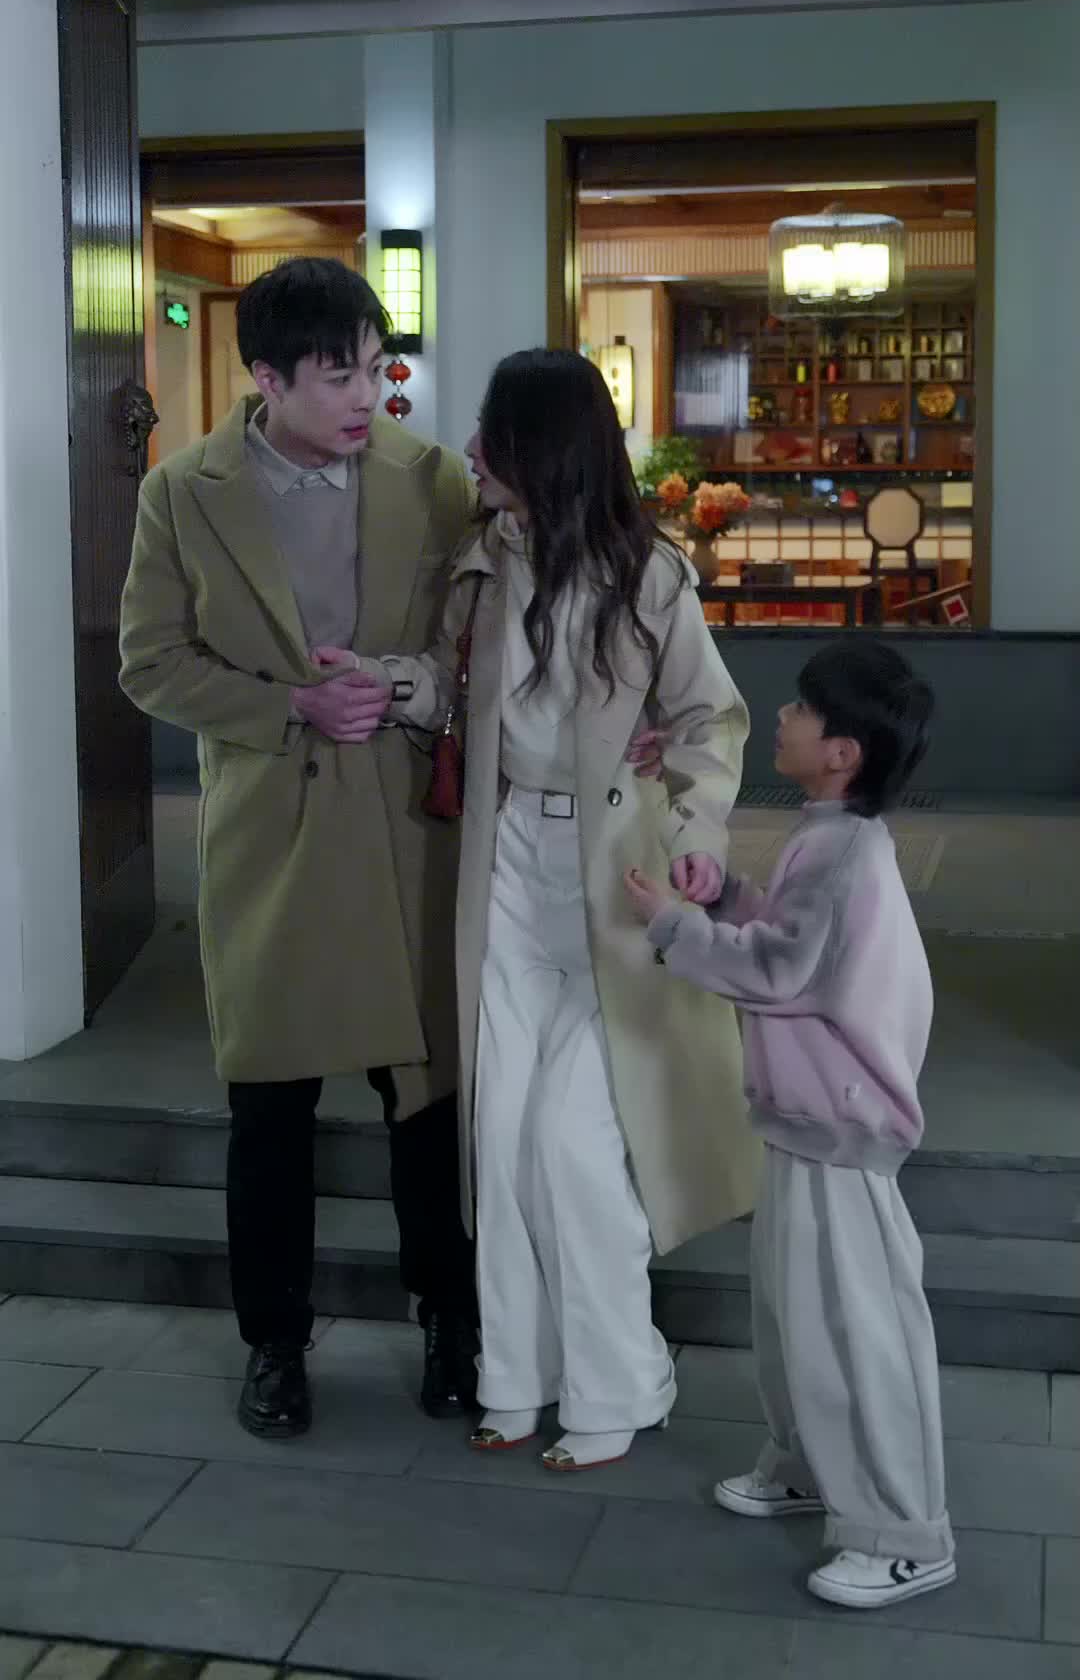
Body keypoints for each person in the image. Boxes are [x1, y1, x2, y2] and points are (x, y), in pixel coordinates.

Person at [338, 347, 759, 1472]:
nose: (473, 451)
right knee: (503, 1141)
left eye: (495, 433)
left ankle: (624, 1380)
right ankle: (519, 1377)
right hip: (507, 864)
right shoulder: (482, 567)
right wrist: (392, 681)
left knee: (575, 1148)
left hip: (615, 880)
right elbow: (454, 693)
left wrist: (698, 838)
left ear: (547, 448)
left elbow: (709, 720)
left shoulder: (650, 577)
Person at [119, 257, 479, 1439]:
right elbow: (151, 662)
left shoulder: (432, 480)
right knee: (268, 1107)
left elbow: (478, 645)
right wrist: (290, 706)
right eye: (337, 376)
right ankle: (273, 1342)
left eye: (377, 369)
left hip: (408, 828)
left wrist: (404, 682)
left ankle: (453, 1321)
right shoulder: (185, 491)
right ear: (266, 378)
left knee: (428, 1103)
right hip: (270, 829)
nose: (367, 396)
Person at [624, 638, 955, 1611]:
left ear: (842, 752)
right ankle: (810, 1463)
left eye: (803, 710)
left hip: (840, 1132)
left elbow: (780, 972)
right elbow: (791, 939)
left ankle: (904, 1534)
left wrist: (674, 923)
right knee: (797, 1318)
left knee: (856, 1332)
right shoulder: (834, 835)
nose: (782, 716)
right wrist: (726, 897)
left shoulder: (845, 852)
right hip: (809, 1123)